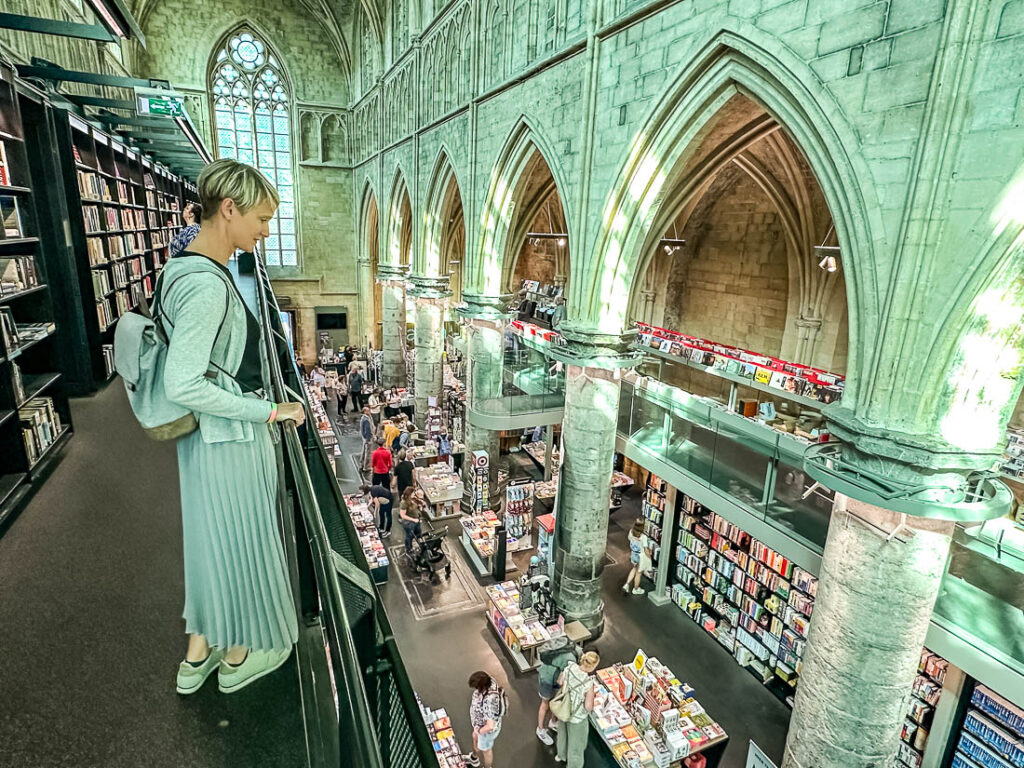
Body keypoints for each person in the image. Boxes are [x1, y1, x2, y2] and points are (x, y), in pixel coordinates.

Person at [163, 158, 305, 696]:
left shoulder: (184, 266)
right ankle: (241, 653)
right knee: (243, 542)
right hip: (229, 441)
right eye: (262, 219)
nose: (266, 231)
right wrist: (269, 411)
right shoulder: (207, 285)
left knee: (209, 544)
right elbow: (183, 382)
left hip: (205, 442)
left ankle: (198, 653)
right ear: (229, 210)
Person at [555, 650, 600, 768]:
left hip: (563, 709)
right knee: (576, 745)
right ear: (592, 667)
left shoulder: (569, 667)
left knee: (562, 735)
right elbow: (588, 706)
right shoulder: (588, 683)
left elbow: (560, 682)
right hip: (577, 718)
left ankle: (561, 755)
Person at [536, 637, 575, 745]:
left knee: (552, 702)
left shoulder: (568, 651)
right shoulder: (572, 658)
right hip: (548, 679)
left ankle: (553, 722)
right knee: (546, 704)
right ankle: (540, 729)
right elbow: (560, 680)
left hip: (546, 675)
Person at [463, 671, 505, 768]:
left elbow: (490, 726)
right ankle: (474, 758)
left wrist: (479, 731)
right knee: (475, 739)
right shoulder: (490, 681)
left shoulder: (490, 702)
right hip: (480, 726)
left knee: (486, 750)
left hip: (486, 732)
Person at [623, 519, 649, 595]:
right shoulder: (643, 537)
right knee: (638, 573)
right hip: (640, 557)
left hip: (633, 555)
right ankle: (636, 589)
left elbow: (629, 538)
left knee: (634, 568)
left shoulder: (631, 532)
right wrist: (649, 557)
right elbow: (645, 549)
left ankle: (627, 584)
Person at [398, 487, 423, 556]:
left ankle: (420, 544)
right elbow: (402, 515)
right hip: (409, 523)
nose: (414, 494)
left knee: (419, 533)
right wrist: (413, 520)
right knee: (409, 536)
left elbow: (416, 507)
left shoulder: (413, 499)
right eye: (413, 493)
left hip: (416, 520)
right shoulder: (404, 502)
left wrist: (420, 506)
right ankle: (409, 549)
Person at [359, 407, 374, 472]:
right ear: (364, 411)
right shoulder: (366, 420)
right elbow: (367, 430)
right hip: (367, 439)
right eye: (368, 411)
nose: (369, 411)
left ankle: (361, 464)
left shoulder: (363, 418)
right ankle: (366, 467)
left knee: (364, 451)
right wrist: (368, 439)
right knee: (368, 453)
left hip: (364, 438)